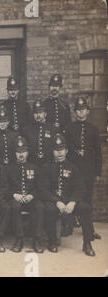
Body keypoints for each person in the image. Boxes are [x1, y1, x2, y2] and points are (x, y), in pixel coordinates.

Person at [40, 133, 96, 256]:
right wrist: (56, 201)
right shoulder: (46, 167)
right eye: (56, 150)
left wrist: (73, 202)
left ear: (66, 151)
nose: (59, 153)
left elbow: (80, 188)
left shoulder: (73, 167)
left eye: (62, 150)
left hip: (70, 201)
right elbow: (43, 190)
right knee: (49, 209)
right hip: (54, 201)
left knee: (86, 208)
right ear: (52, 151)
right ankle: (52, 241)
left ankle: (87, 243)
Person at [65, 97, 102, 240]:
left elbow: (98, 152)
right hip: (74, 171)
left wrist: (97, 172)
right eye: (78, 110)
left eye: (83, 110)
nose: (80, 113)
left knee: (87, 199)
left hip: (88, 171)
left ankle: (89, 230)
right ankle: (68, 225)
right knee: (70, 197)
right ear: (75, 112)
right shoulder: (69, 128)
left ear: (87, 111)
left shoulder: (93, 129)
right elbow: (66, 151)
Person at [7, 136, 44, 253]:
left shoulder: (35, 168)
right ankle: (19, 239)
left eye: (23, 152)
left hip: (31, 198)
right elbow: (5, 187)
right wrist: (14, 195)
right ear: (15, 154)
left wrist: (31, 195)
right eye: (18, 152)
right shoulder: (9, 168)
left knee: (39, 207)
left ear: (27, 153)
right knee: (15, 207)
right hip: (15, 198)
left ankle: (36, 239)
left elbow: (40, 187)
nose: (21, 155)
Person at [22, 99, 57, 166]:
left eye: (40, 112)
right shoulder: (26, 130)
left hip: (49, 164)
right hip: (32, 164)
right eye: (35, 113)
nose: (38, 115)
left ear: (45, 114)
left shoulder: (53, 129)